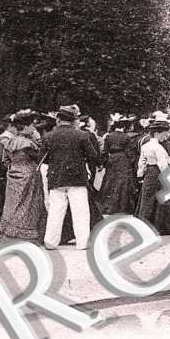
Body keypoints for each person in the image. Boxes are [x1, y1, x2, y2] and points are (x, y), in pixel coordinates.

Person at [41, 105, 100, 250]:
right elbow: (93, 156)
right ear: (74, 120)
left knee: (55, 210)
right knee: (80, 211)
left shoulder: (48, 136)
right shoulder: (82, 135)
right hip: (77, 178)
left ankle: (50, 241)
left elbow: (43, 159)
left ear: (58, 119)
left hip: (56, 177)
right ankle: (82, 242)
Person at [0, 112, 47, 245]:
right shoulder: (28, 144)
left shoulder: (10, 141)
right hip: (29, 176)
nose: (33, 128)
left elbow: (5, 160)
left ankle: (9, 235)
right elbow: (40, 157)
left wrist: (14, 167)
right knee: (29, 205)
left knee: (13, 206)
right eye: (32, 126)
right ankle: (26, 237)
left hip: (13, 175)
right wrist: (38, 139)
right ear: (26, 127)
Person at [136, 119, 170, 236]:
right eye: (164, 134)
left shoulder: (145, 145)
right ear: (157, 133)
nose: (165, 137)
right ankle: (161, 226)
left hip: (149, 172)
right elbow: (163, 164)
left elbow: (142, 161)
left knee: (147, 197)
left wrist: (140, 173)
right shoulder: (158, 147)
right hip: (158, 172)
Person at [99, 114, 136, 215]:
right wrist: (132, 162)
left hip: (112, 160)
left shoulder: (109, 136)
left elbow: (104, 152)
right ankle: (122, 207)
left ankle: (108, 206)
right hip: (123, 160)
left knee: (110, 181)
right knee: (122, 182)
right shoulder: (126, 137)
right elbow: (130, 153)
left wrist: (103, 163)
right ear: (124, 126)